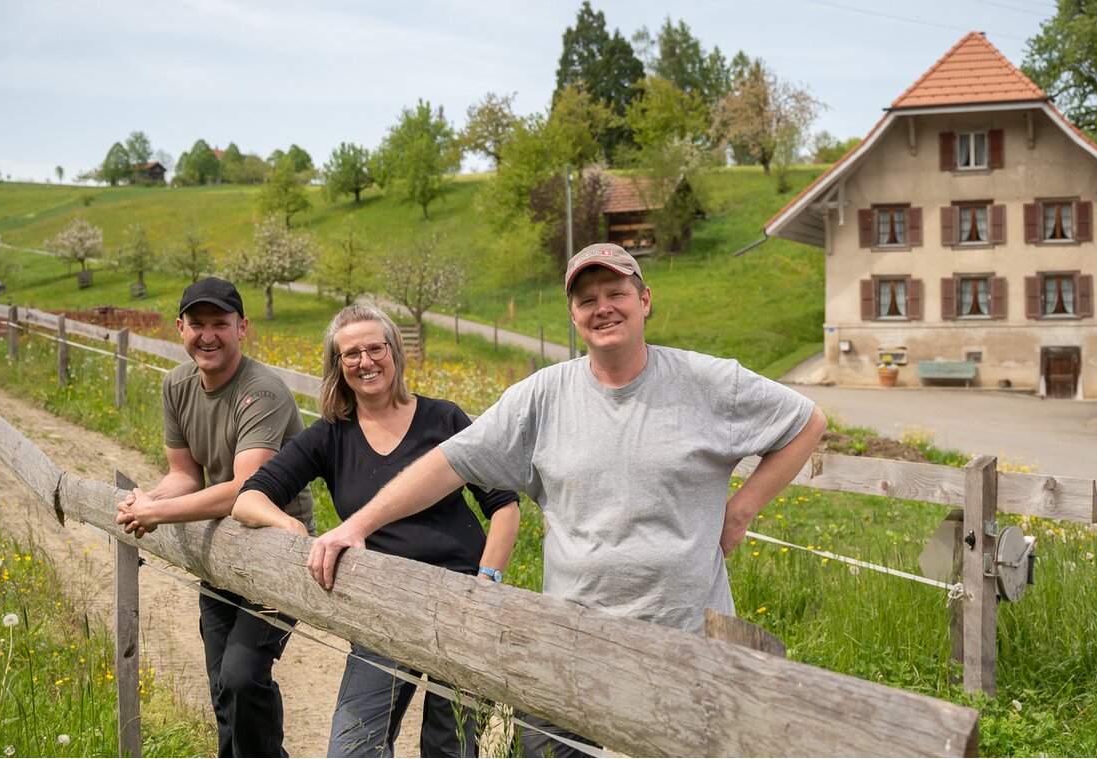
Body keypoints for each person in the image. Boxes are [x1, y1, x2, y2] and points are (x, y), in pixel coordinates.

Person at [306, 244, 827, 756]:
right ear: (573, 315)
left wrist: (741, 510)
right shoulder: (542, 396)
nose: (602, 307)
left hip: (686, 634)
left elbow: (807, 420)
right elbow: (449, 463)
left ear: (644, 300)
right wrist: (359, 524)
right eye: (586, 299)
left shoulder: (708, 381)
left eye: (615, 292)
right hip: (571, 637)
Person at [233, 304, 520, 758]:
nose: (365, 361)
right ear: (337, 366)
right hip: (381, 607)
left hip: (460, 602)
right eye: (351, 354)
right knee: (353, 749)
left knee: (451, 748)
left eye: (374, 348)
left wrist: (488, 582)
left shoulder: (444, 420)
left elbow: (504, 505)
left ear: (394, 351)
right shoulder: (330, 435)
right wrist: (289, 525)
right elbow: (247, 498)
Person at [116, 276, 313, 758]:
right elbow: (184, 474)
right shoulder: (177, 385)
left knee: (243, 677)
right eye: (197, 324)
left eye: (220, 324)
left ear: (242, 328)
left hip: (275, 551)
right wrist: (145, 500)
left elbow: (245, 490)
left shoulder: (263, 392)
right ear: (180, 328)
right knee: (222, 685)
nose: (208, 335)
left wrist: (157, 512)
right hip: (222, 552)